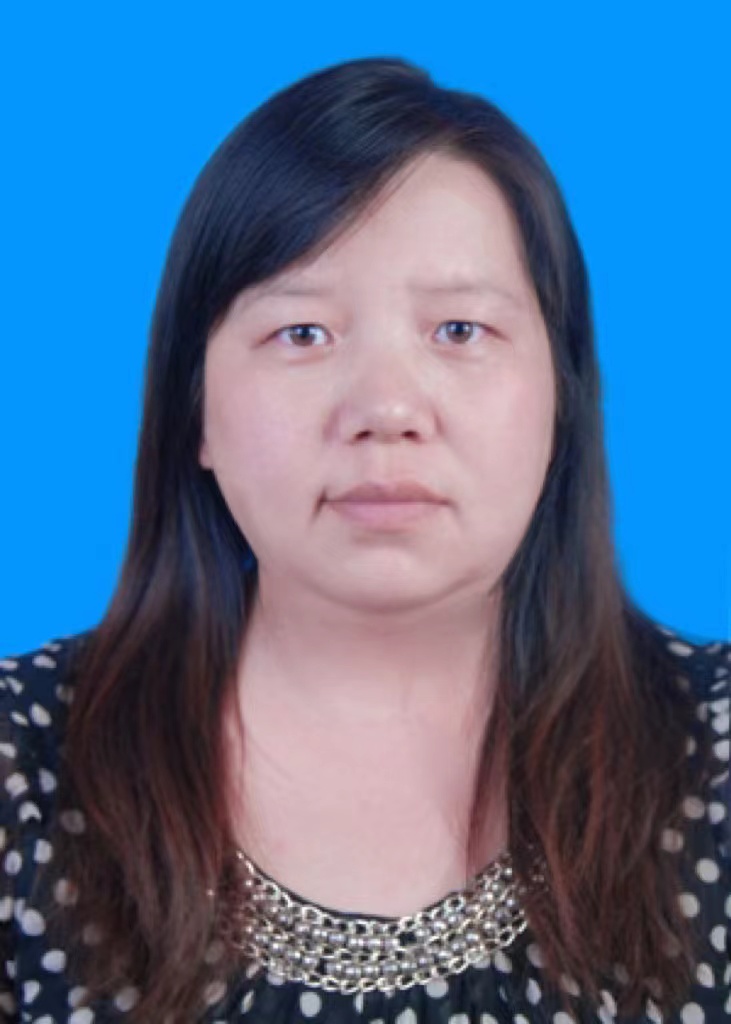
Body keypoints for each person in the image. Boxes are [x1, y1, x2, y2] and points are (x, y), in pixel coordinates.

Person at [0, 55, 728, 1024]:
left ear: (560, 400)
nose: (386, 409)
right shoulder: (21, 767)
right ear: (195, 412)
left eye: (458, 330)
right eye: (302, 333)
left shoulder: (715, 751)